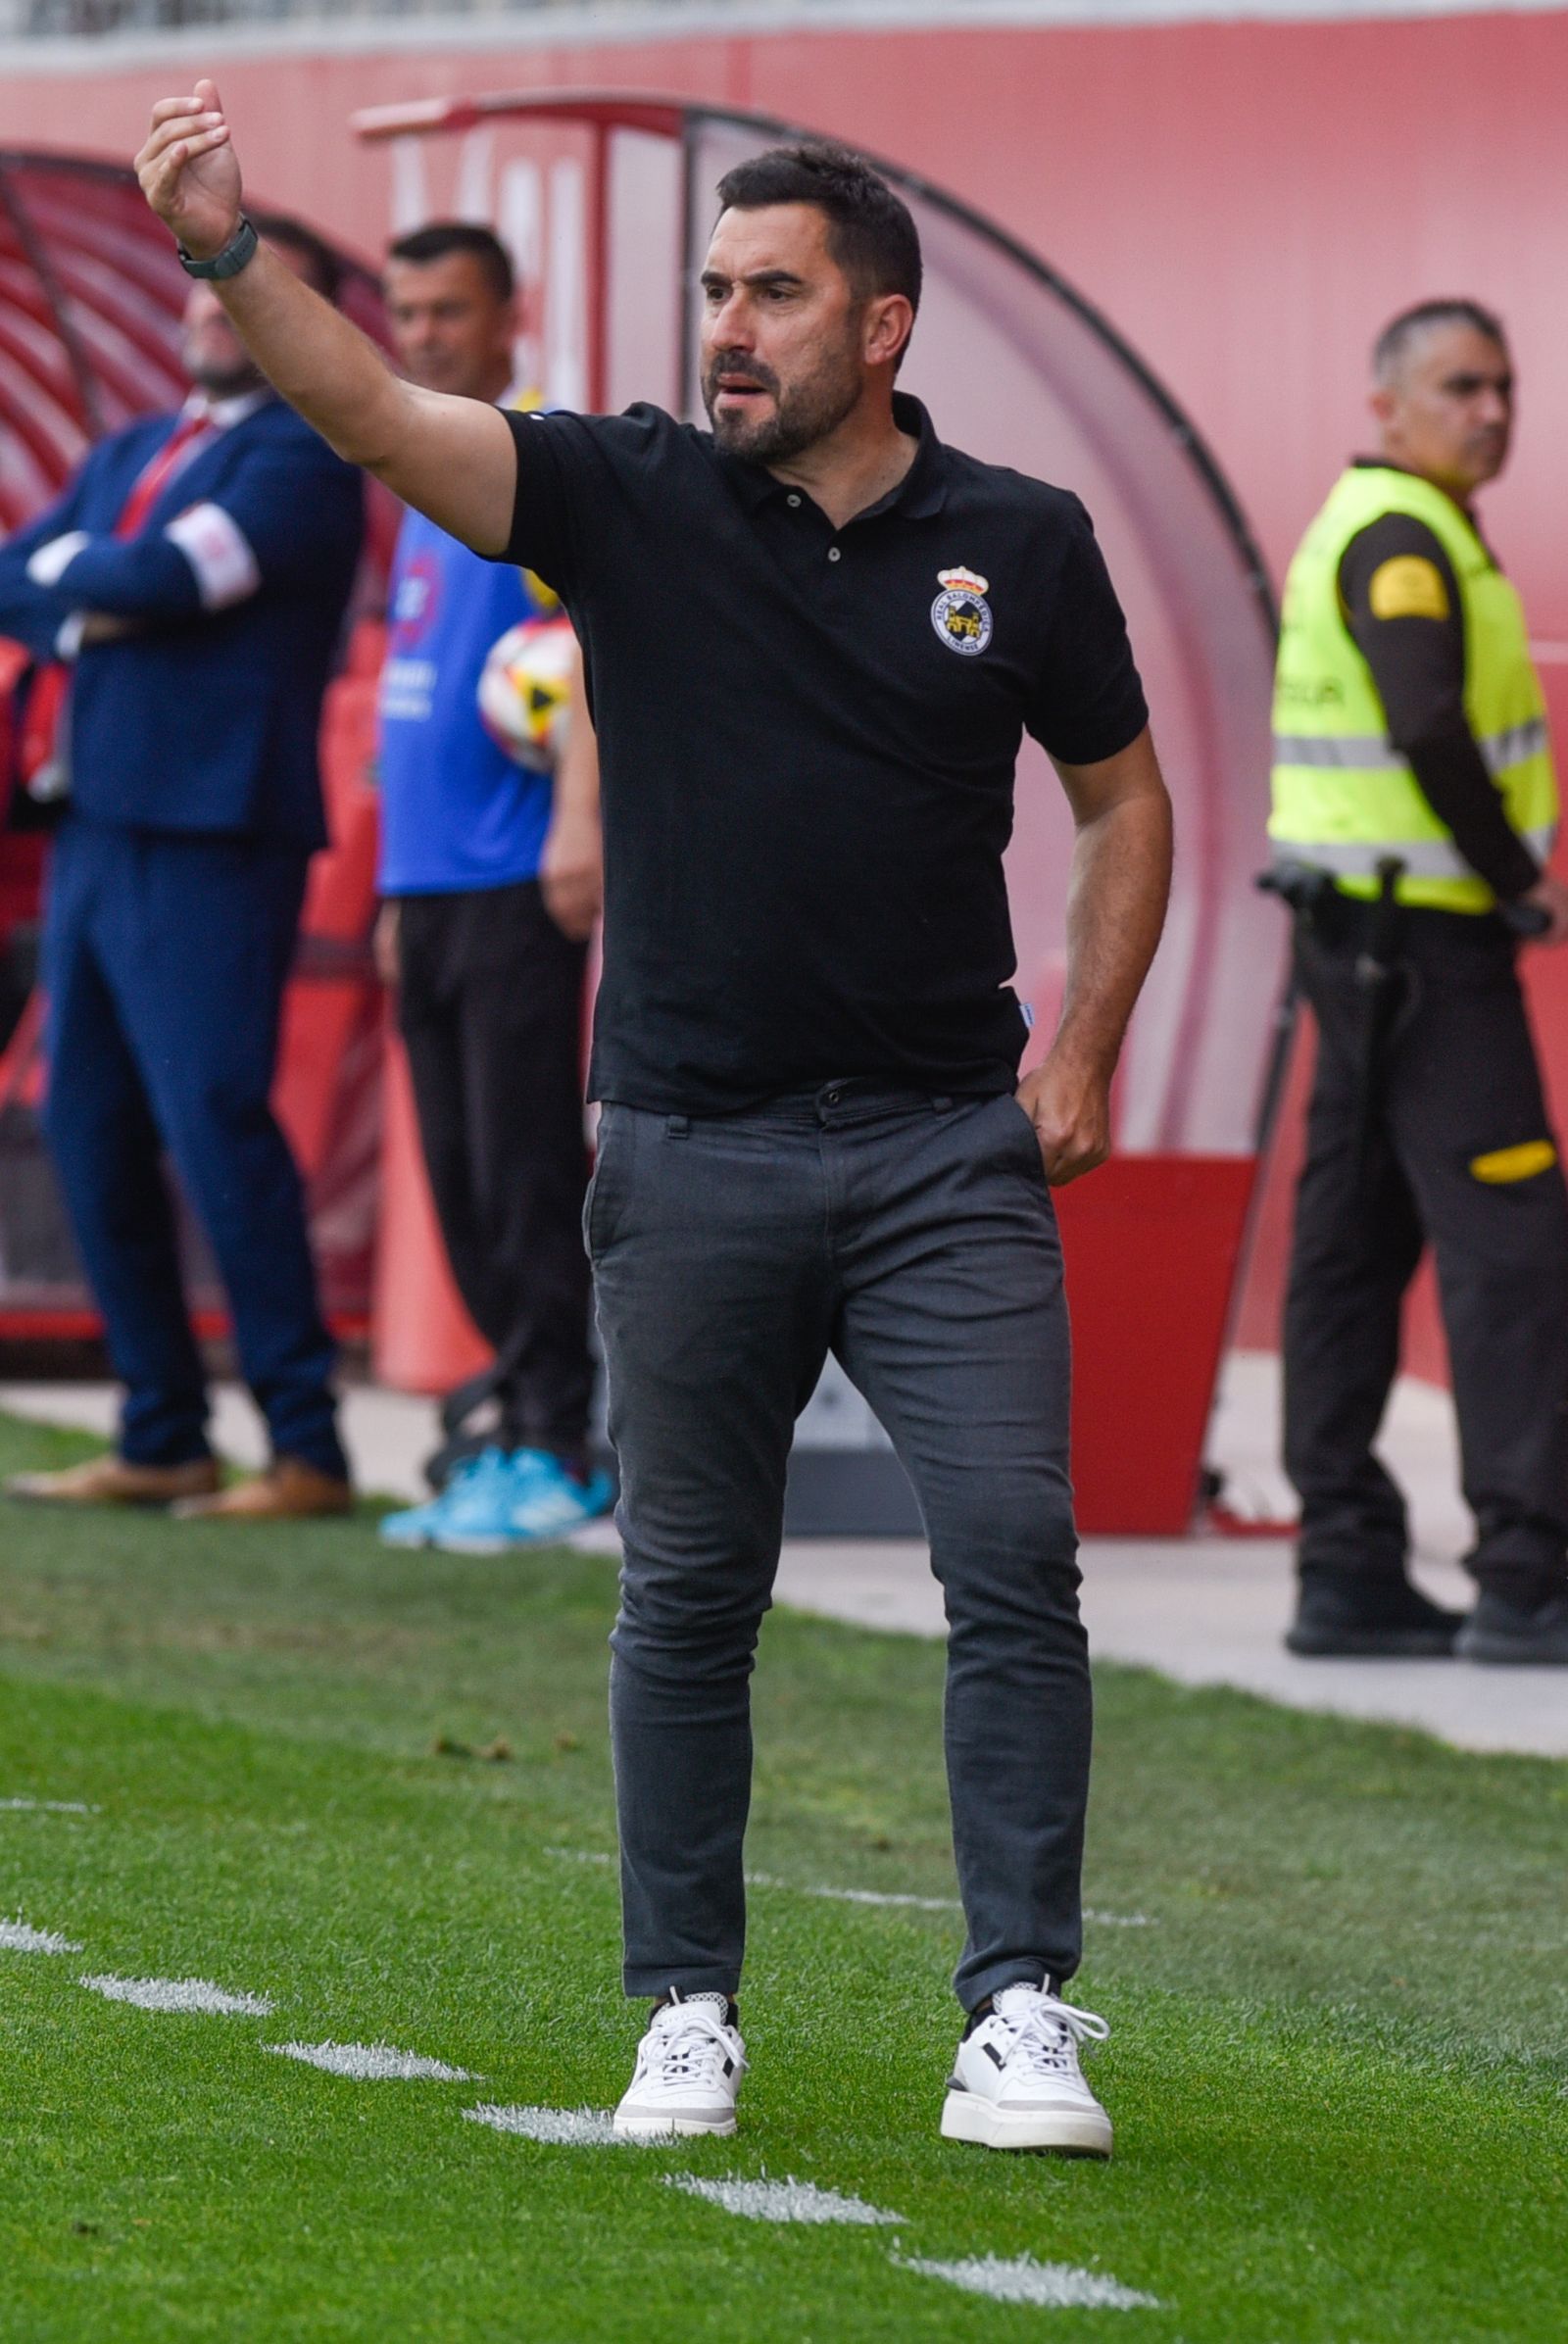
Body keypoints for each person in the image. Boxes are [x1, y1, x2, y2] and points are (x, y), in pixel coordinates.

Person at [136, 86, 1172, 2151]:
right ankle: (684, 2010)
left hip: (943, 1151)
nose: (726, 326)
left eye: (771, 294)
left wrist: (1081, 1049)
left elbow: (1122, 798)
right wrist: (233, 253)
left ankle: (1019, 2011)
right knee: (687, 1592)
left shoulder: (1021, 545)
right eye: (712, 287)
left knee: (1013, 1559)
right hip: (688, 1144)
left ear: (877, 328)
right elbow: (379, 422)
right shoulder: (620, 491)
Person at [0, 214, 364, 1521]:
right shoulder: (134, 449)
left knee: (215, 1124)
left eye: (252, 296)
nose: (219, 311)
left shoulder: (309, 459)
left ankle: (308, 1446)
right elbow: (16, 576)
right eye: (207, 293)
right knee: (84, 1128)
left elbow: (167, 580)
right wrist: (90, 584)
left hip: (213, 841)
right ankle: (160, 1430)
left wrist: (83, 586)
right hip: (95, 834)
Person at [1269, 298, 1568, 1666]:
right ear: (1387, 402)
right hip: (1431, 949)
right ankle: (1531, 1573)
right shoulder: (1403, 540)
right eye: (1461, 386)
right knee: (1517, 1253)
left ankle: (1346, 1567)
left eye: (1504, 386)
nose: (1492, 409)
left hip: (1356, 943)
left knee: (1351, 1243)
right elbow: (1425, 716)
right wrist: (1519, 877)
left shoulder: (1390, 524)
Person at [368, 221, 610, 1552]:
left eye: (448, 311)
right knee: (463, 1178)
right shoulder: (418, 472)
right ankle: (514, 1428)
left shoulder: (527, 464)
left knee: (522, 1171)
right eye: (405, 311)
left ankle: (561, 1447)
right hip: (431, 889)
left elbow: (588, 645)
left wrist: (579, 818)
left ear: (509, 316)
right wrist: (398, 896)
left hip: (518, 877)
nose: (422, 334)